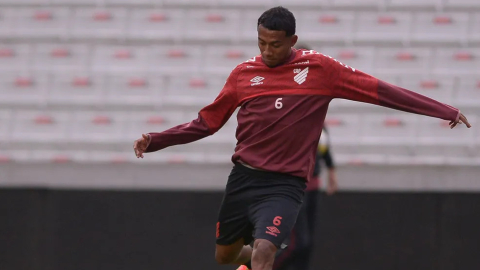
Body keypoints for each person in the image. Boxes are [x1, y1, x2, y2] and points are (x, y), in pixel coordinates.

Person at [133, 6, 471, 270]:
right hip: (244, 178)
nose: (267, 51)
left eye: (275, 45)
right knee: (225, 256)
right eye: (261, 43)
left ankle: (261, 257)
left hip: (286, 184)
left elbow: (379, 91)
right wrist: (157, 139)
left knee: (265, 252)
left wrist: (443, 110)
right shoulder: (243, 74)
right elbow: (207, 123)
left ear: (292, 41)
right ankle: (250, 259)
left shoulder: (321, 70)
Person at [272, 125, 337, 270]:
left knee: (308, 245)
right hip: (296, 189)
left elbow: (324, 149)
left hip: (313, 189)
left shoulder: (321, 126)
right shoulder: (297, 121)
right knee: (298, 244)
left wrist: (331, 170)